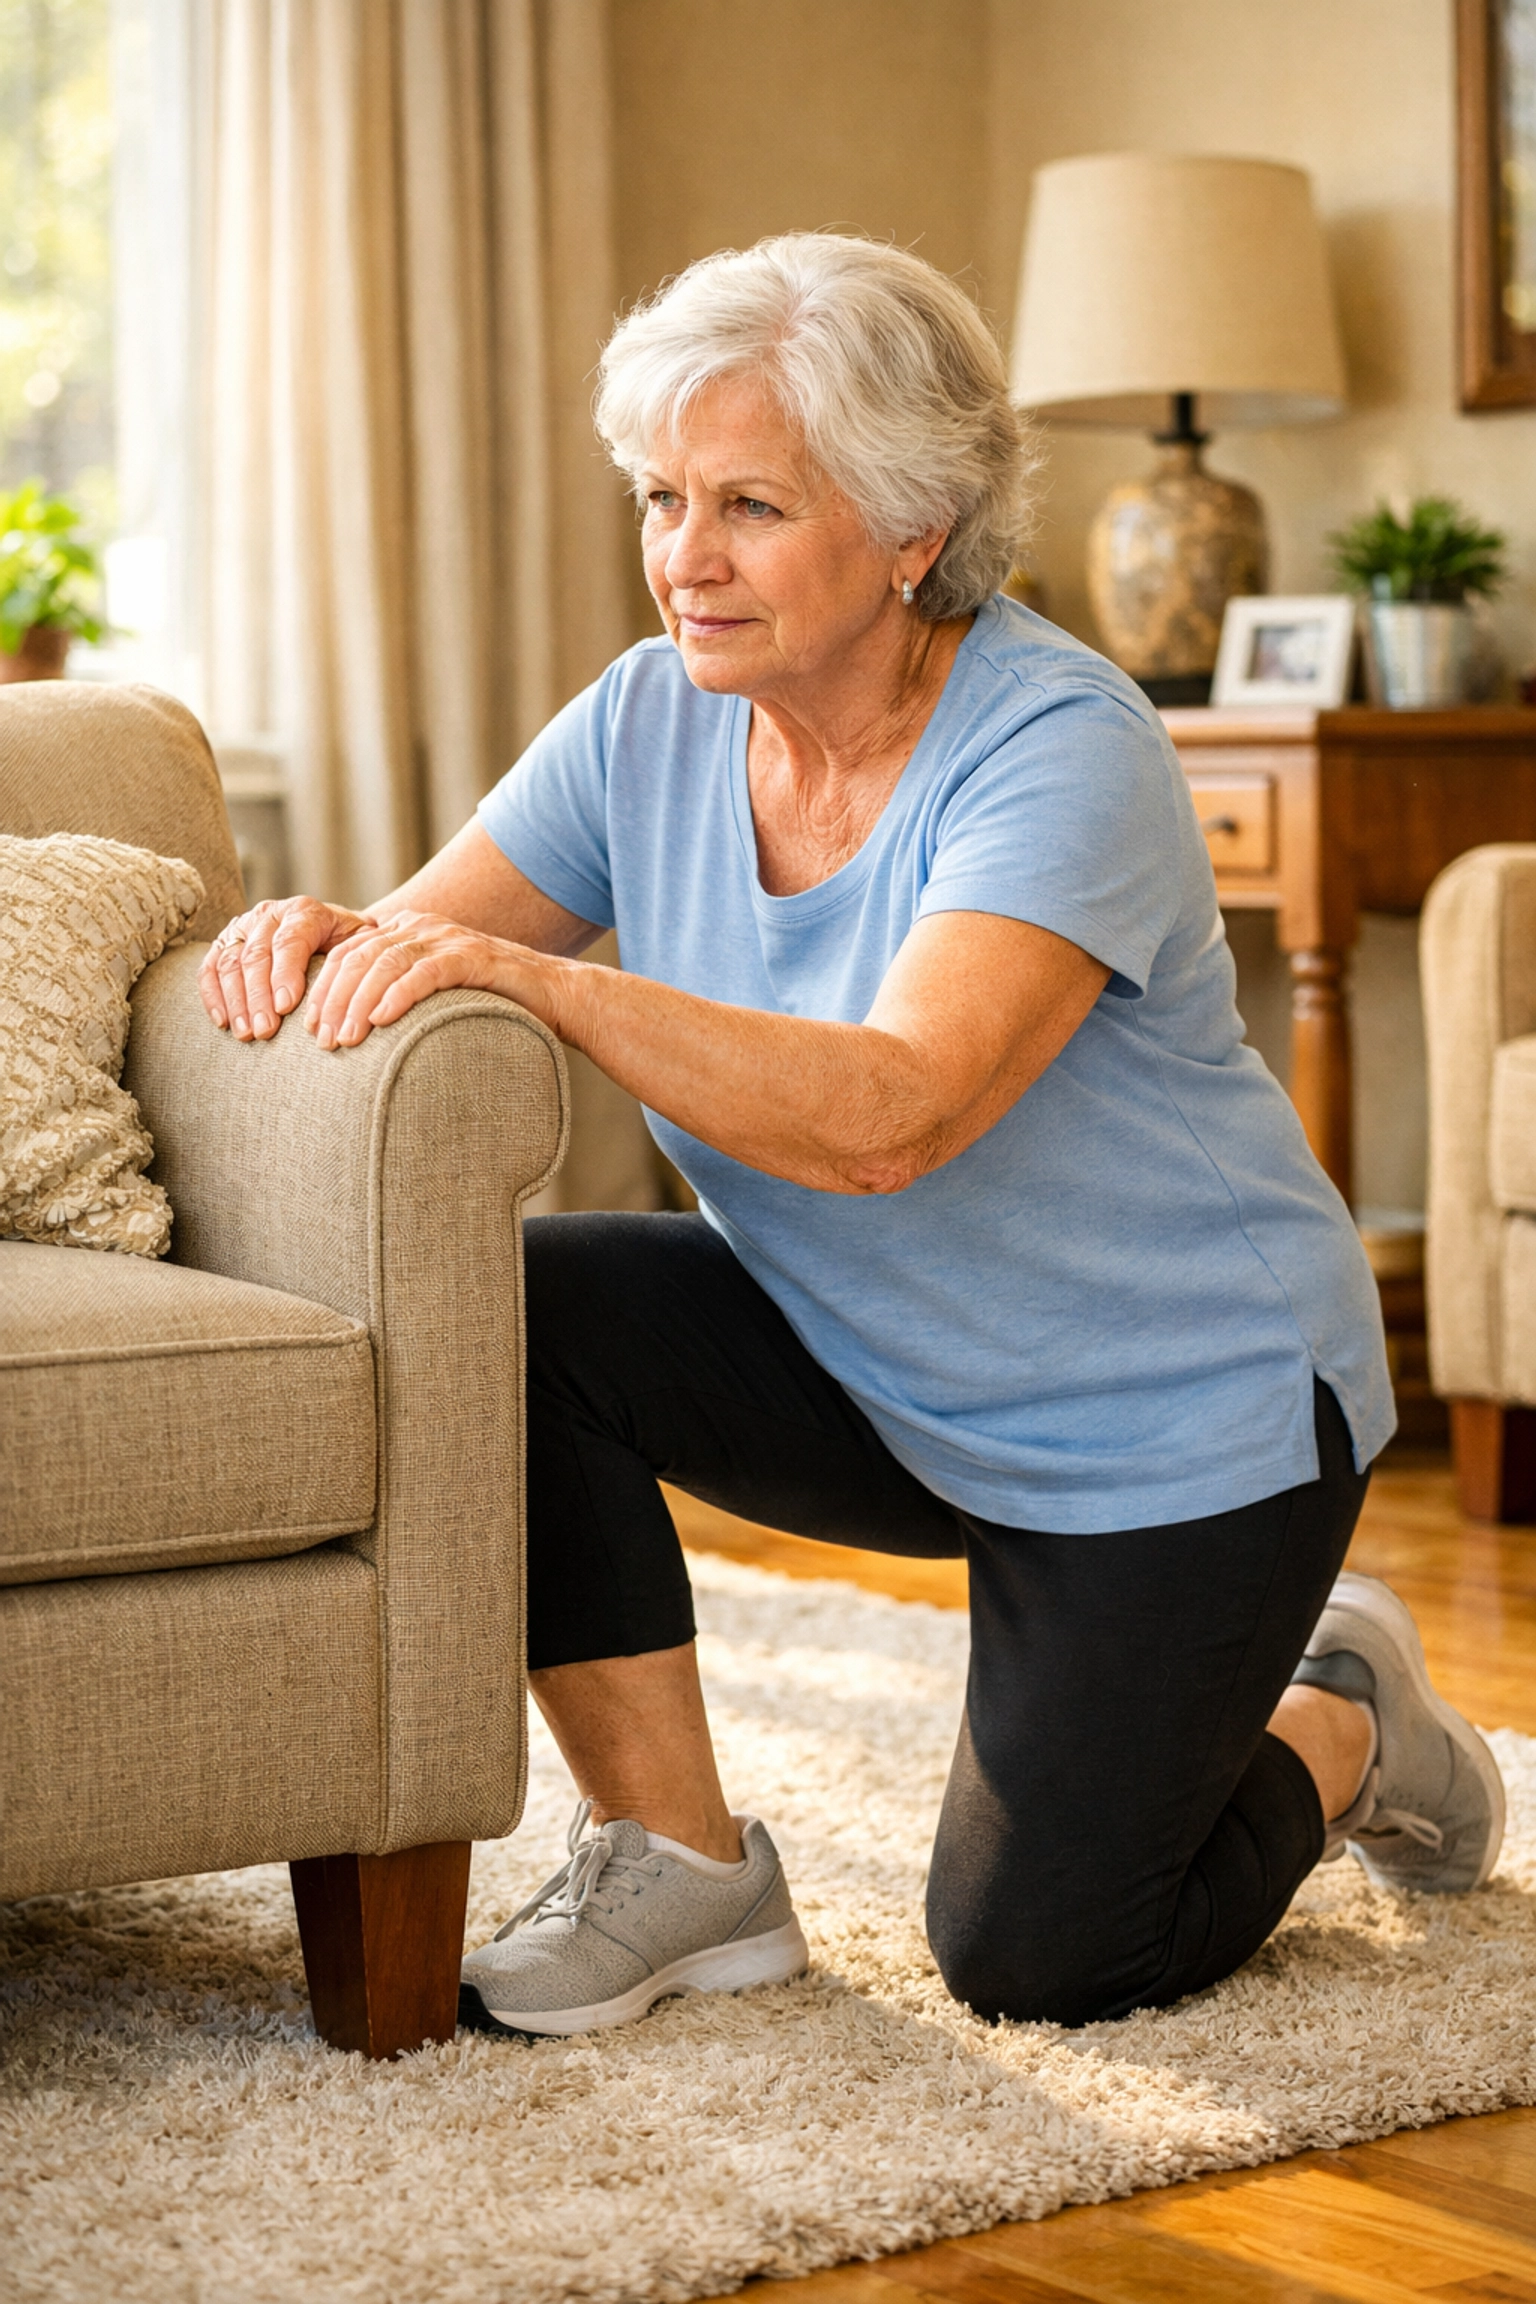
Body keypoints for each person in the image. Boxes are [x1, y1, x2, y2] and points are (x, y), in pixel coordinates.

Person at [200, 234, 1505, 2040]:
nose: (682, 555)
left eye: (749, 503)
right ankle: (679, 1861)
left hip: (1180, 1422)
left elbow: (899, 1113)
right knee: (511, 1311)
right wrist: (318, 939)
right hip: (878, 1365)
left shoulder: (1059, 744)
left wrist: (558, 990)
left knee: (1041, 1960)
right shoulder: (646, 721)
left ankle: (1344, 1714)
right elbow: (424, 945)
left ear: (911, 527)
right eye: (663, 497)